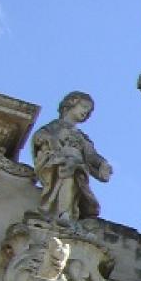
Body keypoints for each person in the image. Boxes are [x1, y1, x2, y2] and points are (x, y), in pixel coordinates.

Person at [31, 92, 112, 223]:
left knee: (73, 180)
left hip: (77, 166)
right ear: (71, 102)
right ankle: (62, 212)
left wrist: (103, 163)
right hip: (59, 163)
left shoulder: (81, 137)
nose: (87, 112)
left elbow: (91, 155)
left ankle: (66, 212)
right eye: (84, 106)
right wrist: (52, 142)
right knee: (68, 172)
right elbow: (39, 137)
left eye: (89, 111)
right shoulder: (54, 127)